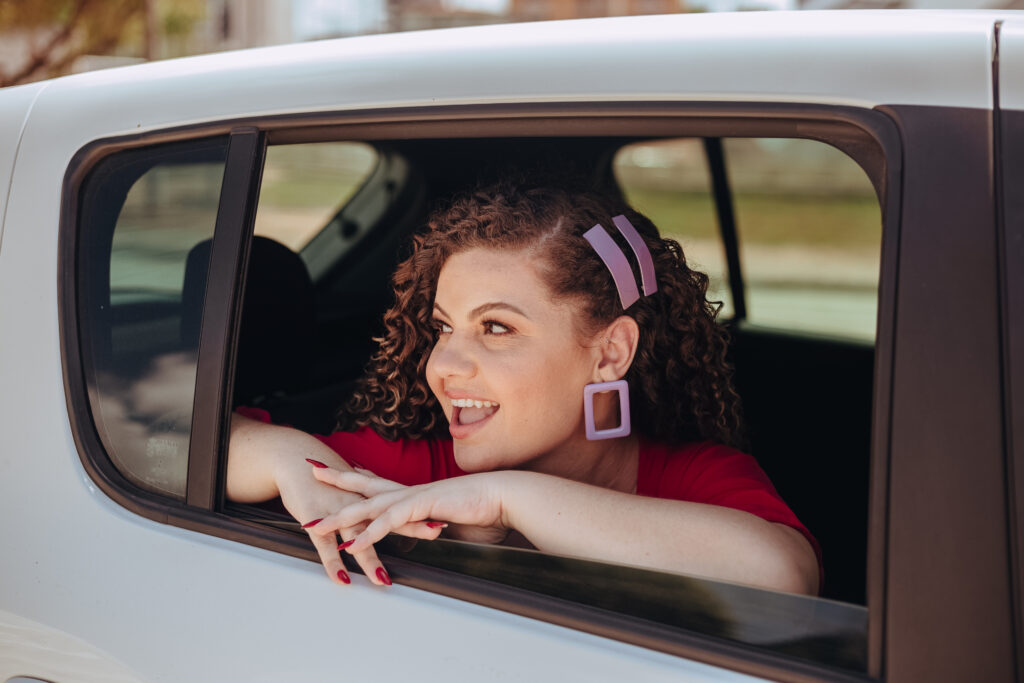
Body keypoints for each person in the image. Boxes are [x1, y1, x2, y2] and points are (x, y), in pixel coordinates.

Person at [226, 183, 821, 594]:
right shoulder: (421, 468)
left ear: (610, 352)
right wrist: (284, 457)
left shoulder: (692, 478)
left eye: (496, 327)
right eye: (443, 328)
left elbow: (783, 574)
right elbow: (197, 441)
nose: (442, 367)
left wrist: (510, 499)